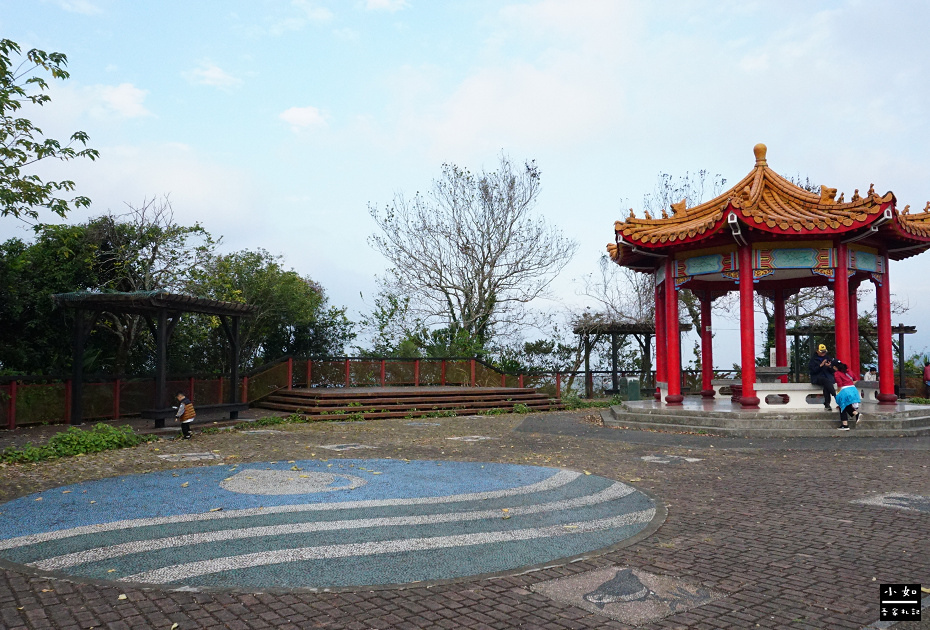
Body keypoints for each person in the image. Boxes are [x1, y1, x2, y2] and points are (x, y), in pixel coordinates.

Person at [832, 361, 861, 430]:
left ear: (835, 367)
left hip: (845, 390)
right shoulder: (849, 371)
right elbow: (856, 379)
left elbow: (839, 384)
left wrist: (838, 392)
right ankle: (856, 414)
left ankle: (845, 425)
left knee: (842, 406)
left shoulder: (837, 373)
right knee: (846, 405)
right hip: (853, 389)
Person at [809, 344, 837, 411]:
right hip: (817, 377)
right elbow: (813, 371)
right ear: (817, 351)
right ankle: (835, 395)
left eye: (824, 352)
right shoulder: (813, 360)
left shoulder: (828, 358)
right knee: (826, 381)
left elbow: (833, 371)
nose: (823, 353)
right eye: (821, 352)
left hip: (828, 377)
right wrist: (820, 365)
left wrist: (829, 366)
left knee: (826, 385)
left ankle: (827, 404)